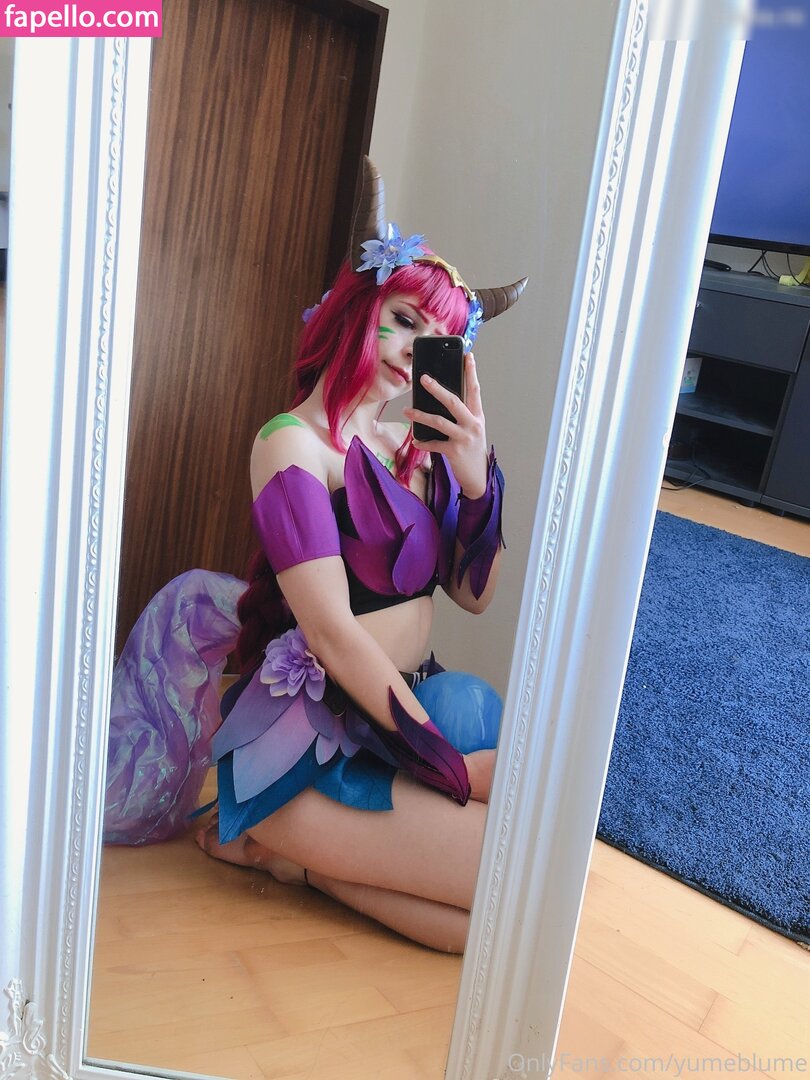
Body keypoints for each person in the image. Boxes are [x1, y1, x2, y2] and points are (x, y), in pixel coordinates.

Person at [110, 157, 526, 954]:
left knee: (523, 888)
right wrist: (450, 767)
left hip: (399, 714)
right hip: (305, 744)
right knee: (505, 900)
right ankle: (291, 849)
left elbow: (476, 596)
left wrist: (476, 482)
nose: (414, 350)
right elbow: (333, 633)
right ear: (359, 306)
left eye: (438, 339)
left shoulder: (417, 449)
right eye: (403, 319)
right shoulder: (290, 446)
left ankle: (301, 867)